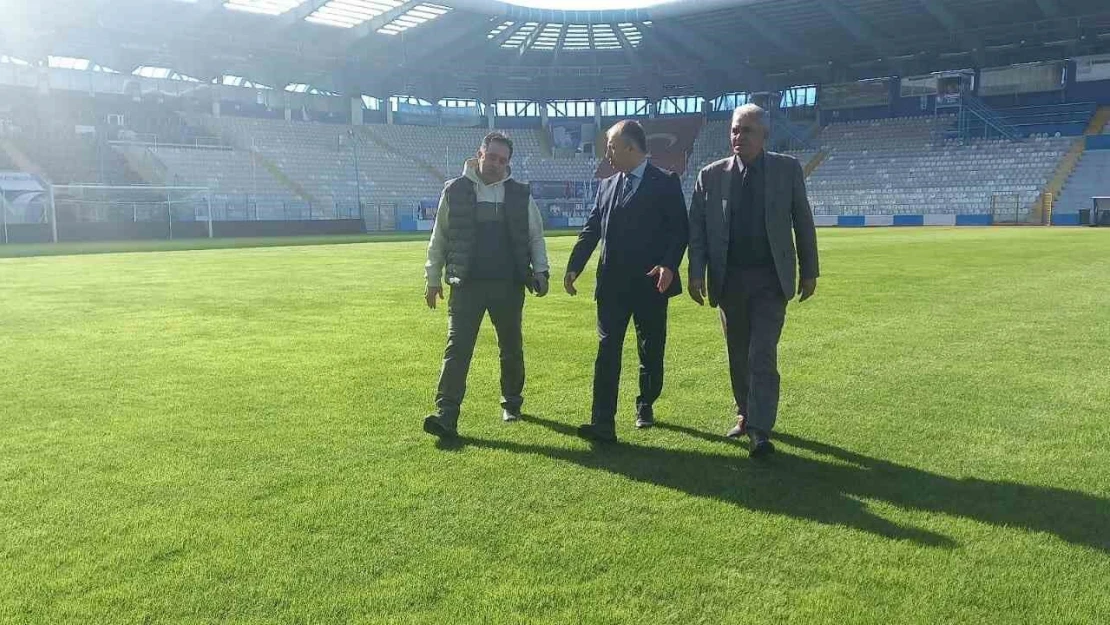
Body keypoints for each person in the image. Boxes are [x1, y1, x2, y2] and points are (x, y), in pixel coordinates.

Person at [687, 104, 820, 457]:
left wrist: (809, 271)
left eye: (746, 130)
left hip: (770, 281)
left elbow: (802, 222)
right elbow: (697, 229)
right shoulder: (710, 176)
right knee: (738, 355)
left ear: (764, 135)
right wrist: (695, 271)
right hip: (728, 281)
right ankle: (744, 413)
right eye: (734, 129)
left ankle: (760, 430)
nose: (738, 136)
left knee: (762, 353)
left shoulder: (786, 170)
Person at [565, 120, 689, 443]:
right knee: (607, 350)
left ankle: (645, 402)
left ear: (630, 148)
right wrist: (574, 266)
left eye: (611, 146)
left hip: (651, 285)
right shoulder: (606, 185)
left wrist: (668, 265)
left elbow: (680, 230)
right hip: (612, 287)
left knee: (651, 350)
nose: (606, 152)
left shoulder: (665, 183)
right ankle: (602, 423)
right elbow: (592, 229)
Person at [422, 132, 550, 438]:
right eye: (491, 157)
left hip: (508, 285)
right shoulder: (454, 190)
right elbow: (439, 237)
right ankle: (446, 414)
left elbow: (535, 235)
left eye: (502, 160)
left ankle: (512, 403)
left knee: (511, 348)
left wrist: (542, 270)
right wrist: (432, 278)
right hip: (466, 285)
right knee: (457, 349)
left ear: (508, 163)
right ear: (479, 154)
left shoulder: (520, 193)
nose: (495, 164)